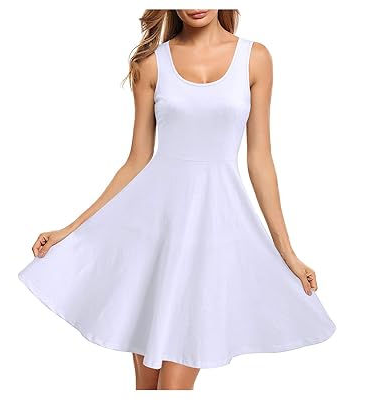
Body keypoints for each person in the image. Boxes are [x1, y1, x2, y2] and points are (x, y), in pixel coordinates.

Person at [18, 9, 336, 391]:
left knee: (173, 386)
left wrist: (288, 253)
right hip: (154, 236)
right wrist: (71, 229)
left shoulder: (255, 59)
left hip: (212, 235)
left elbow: (260, 160)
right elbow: (137, 160)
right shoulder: (151, 64)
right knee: (148, 387)